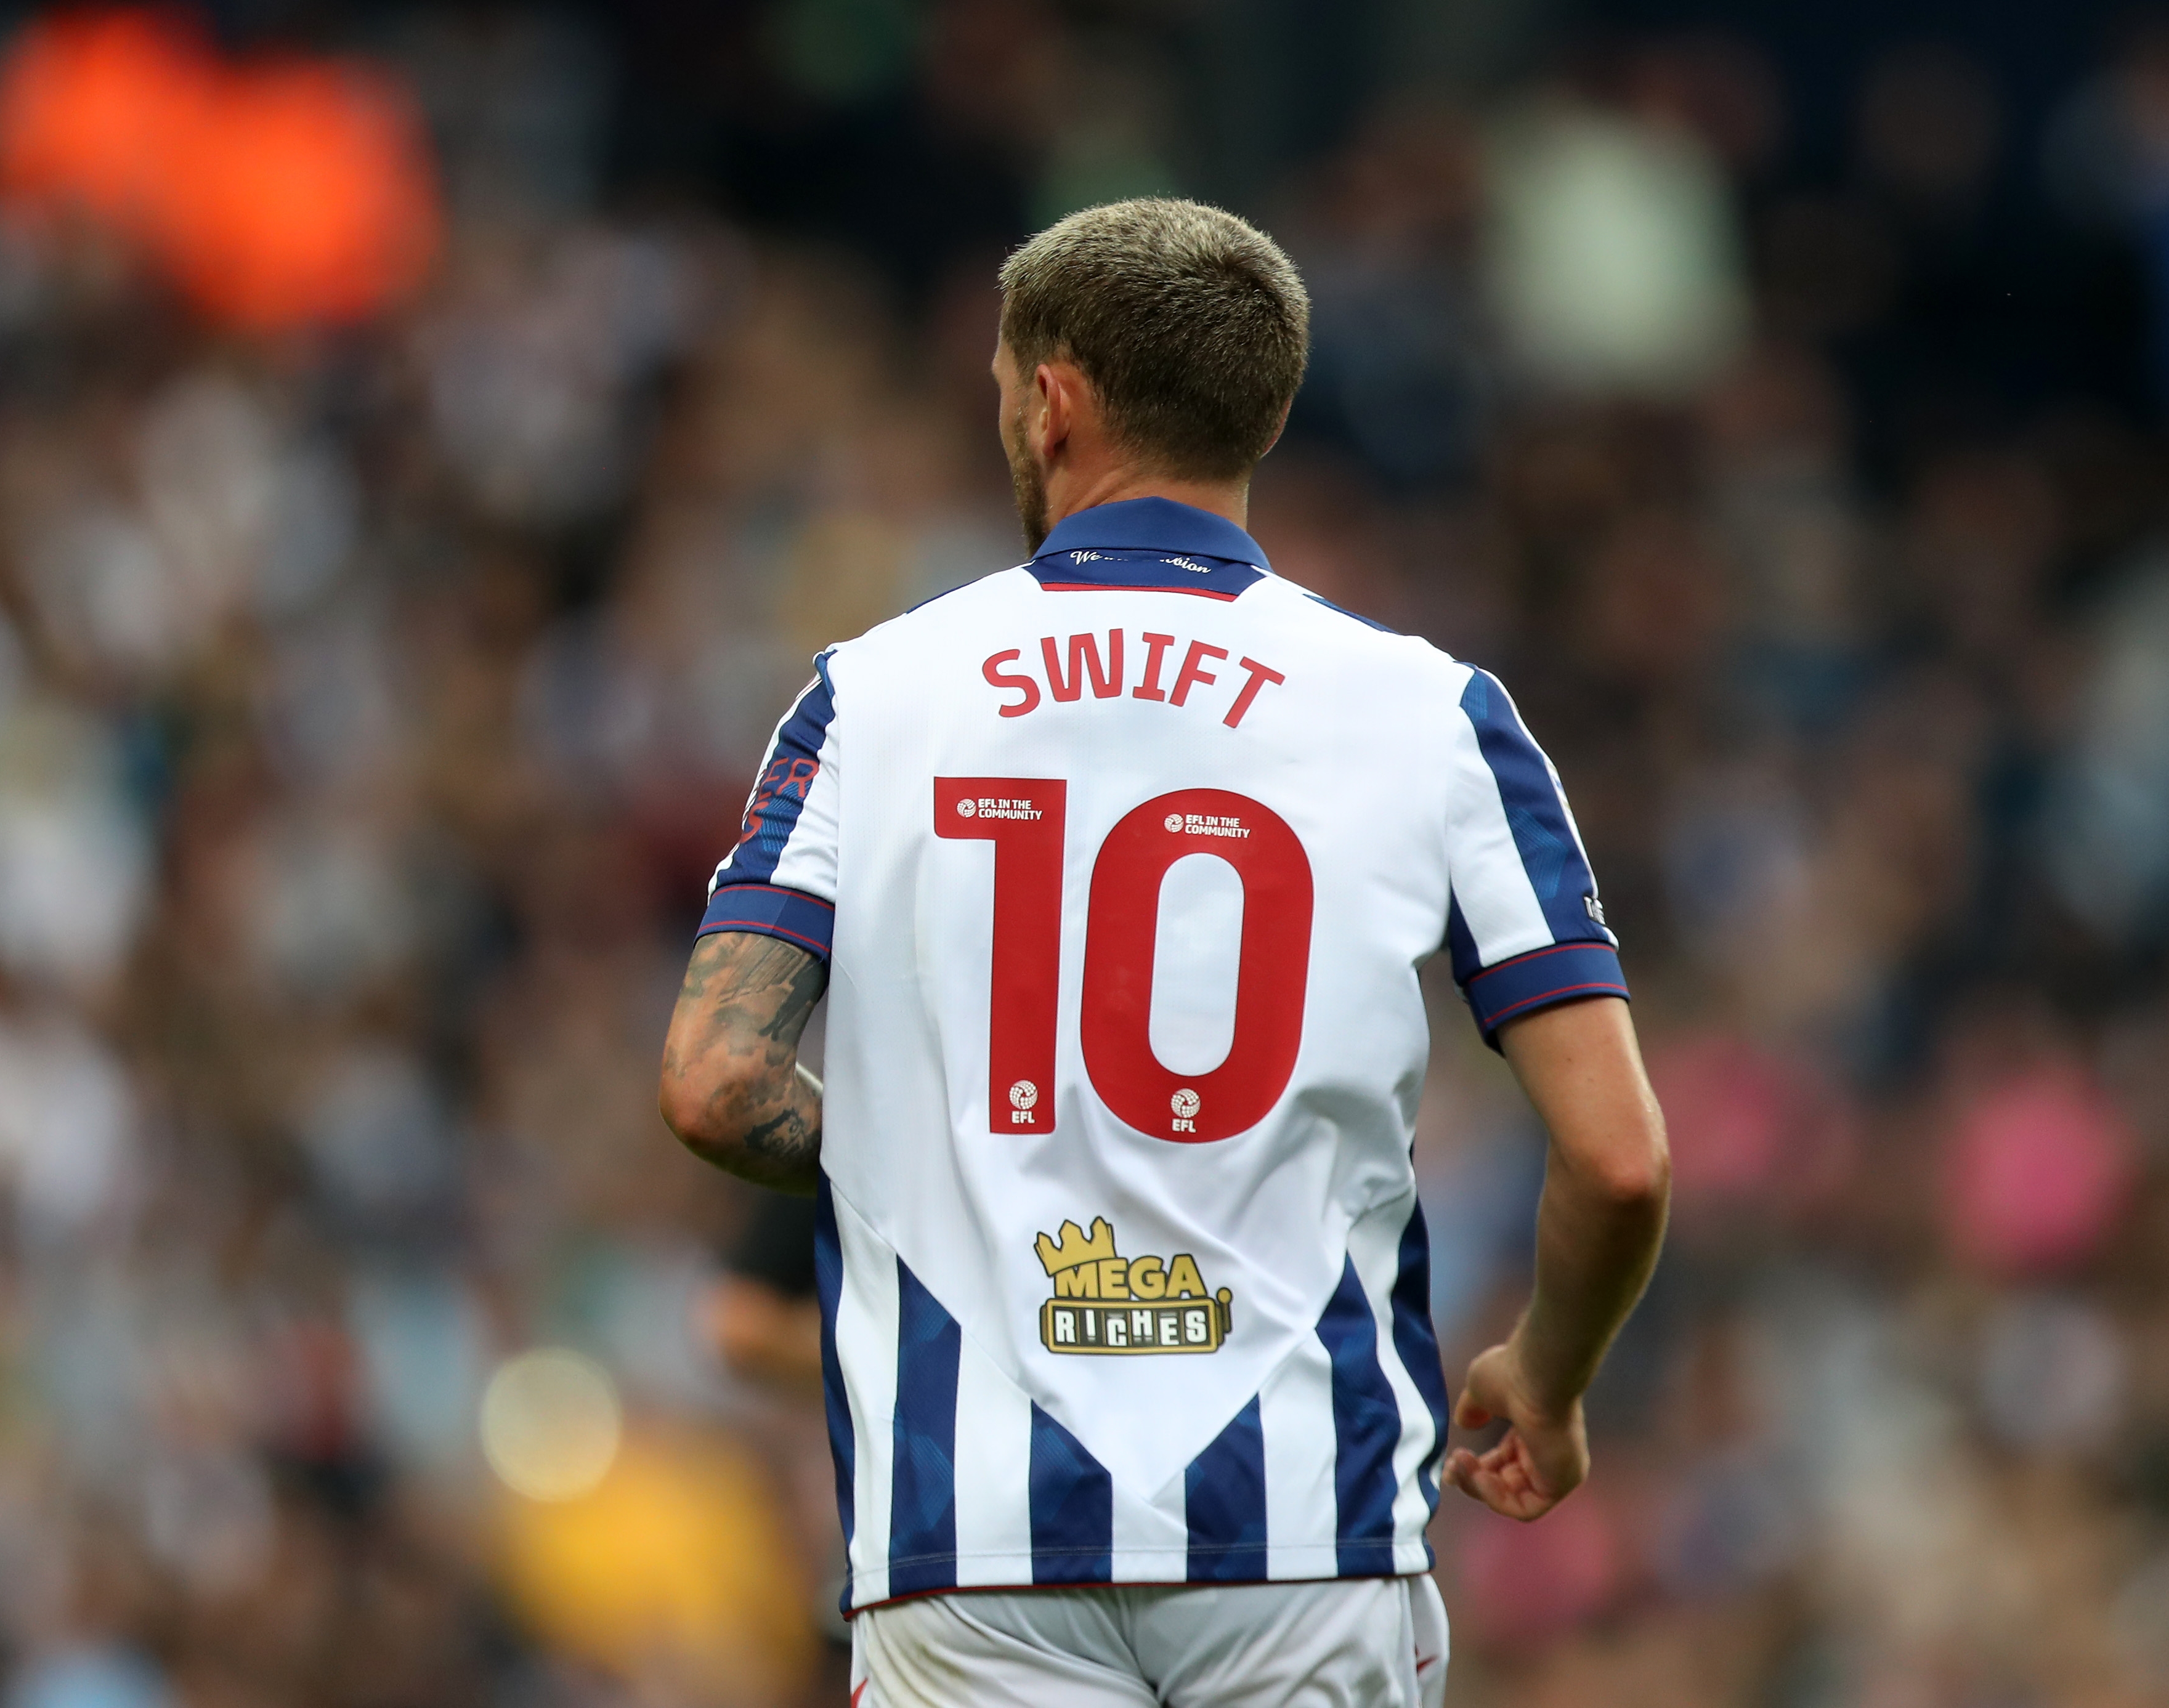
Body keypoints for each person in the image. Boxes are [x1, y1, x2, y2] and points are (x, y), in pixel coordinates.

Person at [660, 198, 1669, 1707]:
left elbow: (714, 1081)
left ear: (1054, 398)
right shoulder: (1432, 713)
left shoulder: (871, 699)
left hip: (972, 1545)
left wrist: (948, 1165)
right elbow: (1619, 1158)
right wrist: (1549, 1374)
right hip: (1305, 1533)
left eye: (1007, 388)